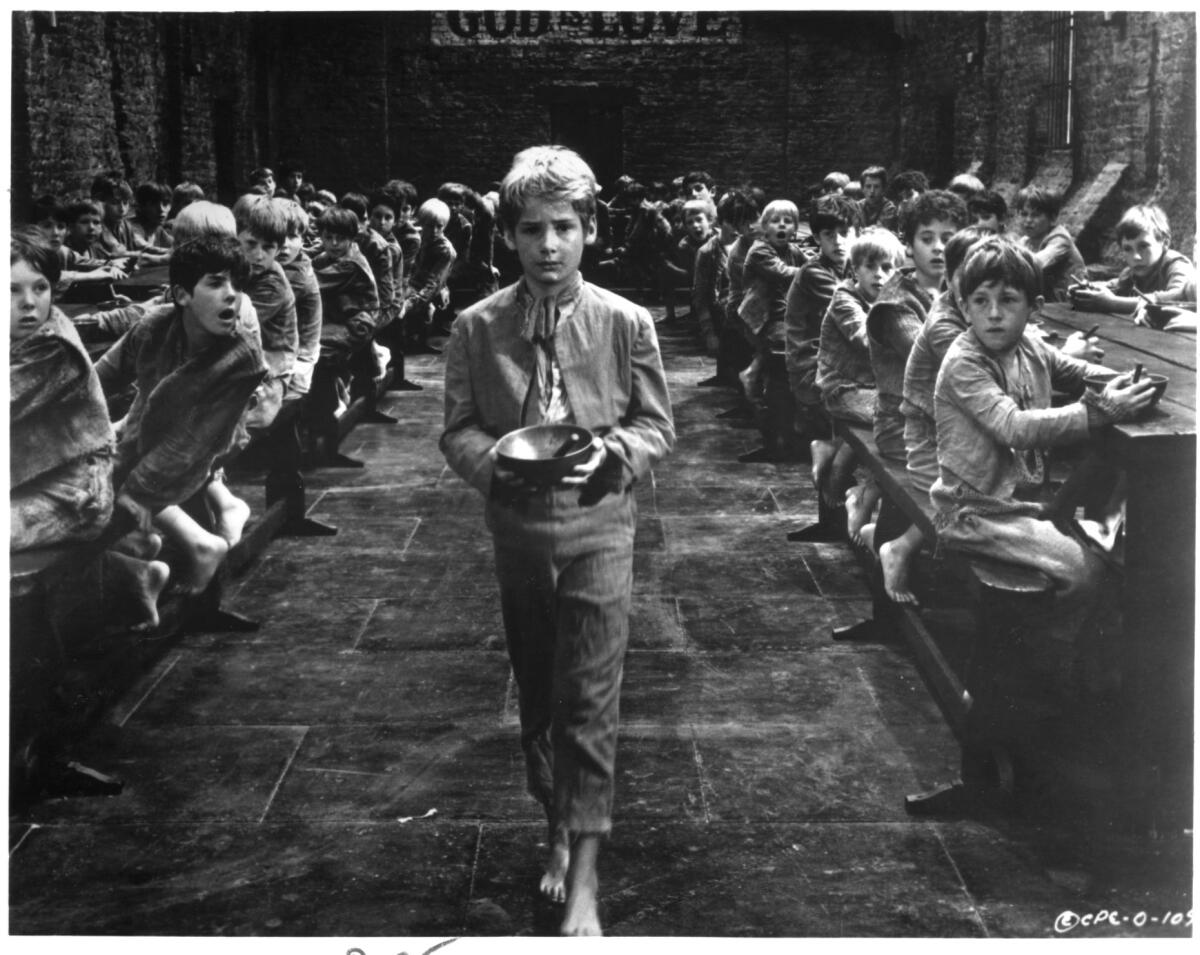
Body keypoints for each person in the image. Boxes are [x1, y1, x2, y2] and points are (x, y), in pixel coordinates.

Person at [441, 145, 674, 936]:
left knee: (591, 698)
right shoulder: (477, 327)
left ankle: (587, 877)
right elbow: (458, 430)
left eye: (565, 228)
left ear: (591, 231)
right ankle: (554, 821)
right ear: (509, 235)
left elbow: (656, 426)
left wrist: (618, 453)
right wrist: (498, 470)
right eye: (533, 229)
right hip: (517, 529)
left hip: (601, 521)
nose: (549, 246)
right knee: (538, 692)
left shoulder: (625, 322)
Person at [932, 236, 1155, 649]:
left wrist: (1120, 384)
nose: (994, 314)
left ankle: (1076, 654)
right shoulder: (964, 362)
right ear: (963, 308)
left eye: (1008, 300)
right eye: (980, 301)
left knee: (1109, 547)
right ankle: (1043, 655)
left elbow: (1076, 370)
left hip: (1022, 501)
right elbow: (1014, 426)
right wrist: (1102, 411)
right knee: (1084, 570)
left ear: (1033, 307)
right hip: (972, 512)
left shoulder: (1029, 346)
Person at [10, 228, 170, 627]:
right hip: (32, 480)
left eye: (40, 287)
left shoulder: (52, 348)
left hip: (74, 495)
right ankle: (130, 573)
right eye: (11, 290)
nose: (29, 303)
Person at [95, 234, 269, 595]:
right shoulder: (154, 324)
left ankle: (191, 546)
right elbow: (98, 379)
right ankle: (138, 553)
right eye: (217, 283)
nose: (232, 294)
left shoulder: (242, 358)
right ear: (182, 295)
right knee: (88, 465)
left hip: (210, 445)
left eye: (237, 284)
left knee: (113, 485)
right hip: (146, 428)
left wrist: (134, 494)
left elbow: (187, 446)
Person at [811, 227, 905, 538]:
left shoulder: (892, 300)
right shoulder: (844, 298)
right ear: (855, 270)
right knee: (901, 421)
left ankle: (834, 452)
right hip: (843, 389)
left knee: (906, 417)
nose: (879, 275)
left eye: (888, 268)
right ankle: (863, 492)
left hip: (873, 389)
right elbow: (865, 338)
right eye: (870, 267)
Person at [867, 189, 968, 467]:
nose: (938, 247)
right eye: (927, 239)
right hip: (902, 429)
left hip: (946, 419)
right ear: (909, 246)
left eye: (948, 239)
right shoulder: (895, 305)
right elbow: (945, 361)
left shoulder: (956, 290)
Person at [785, 194, 860, 443]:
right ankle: (834, 450)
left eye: (844, 232)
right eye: (829, 234)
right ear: (817, 238)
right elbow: (855, 310)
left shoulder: (850, 267)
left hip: (834, 358)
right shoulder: (814, 272)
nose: (838, 242)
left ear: (857, 233)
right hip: (811, 367)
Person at [233, 194, 299, 433]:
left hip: (271, 375)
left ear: (279, 248)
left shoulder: (271, 284)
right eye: (251, 244)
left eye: (268, 247)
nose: (259, 255)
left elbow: (232, 326)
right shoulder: (246, 271)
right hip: (249, 364)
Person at [1069, 203, 1198, 321]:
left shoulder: (1176, 264)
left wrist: (1112, 303)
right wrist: (1088, 289)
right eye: (1127, 249)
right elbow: (1115, 285)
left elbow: (1177, 300)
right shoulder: (1131, 272)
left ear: (1164, 243)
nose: (1135, 256)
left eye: (1143, 246)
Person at [738, 198, 806, 402]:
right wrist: (812, 270)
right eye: (775, 221)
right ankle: (765, 384)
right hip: (760, 317)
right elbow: (783, 272)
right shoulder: (760, 250)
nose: (782, 224)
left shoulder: (792, 250)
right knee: (784, 342)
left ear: (795, 229)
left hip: (783, 312)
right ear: (765, 227)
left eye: (788, 221)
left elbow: (810, 263)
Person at [401, 197, 456, 354]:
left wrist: (409, 304)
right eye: (429, 225)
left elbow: (433, 283)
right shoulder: (418, 238)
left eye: (439, 226)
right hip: (412, 284)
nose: (434, 231)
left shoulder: (445, 251)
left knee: (421, 319)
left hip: (428, 290)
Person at [1014, 184, 1084, 303]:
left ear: (1052, 218)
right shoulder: (1026, 241)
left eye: (1035, 215)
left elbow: (1035, 264)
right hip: (1048, 301)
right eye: (1024, 214)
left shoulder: (1060, 239)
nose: (1028, 220)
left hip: (1071, 302)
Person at [858, 165, 897, 230]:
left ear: (883, 189)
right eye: (868, 186)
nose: (872, 191)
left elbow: (880, 231)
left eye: (876, 187)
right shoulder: (857, 206)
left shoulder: (889, 208)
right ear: (862, 189)